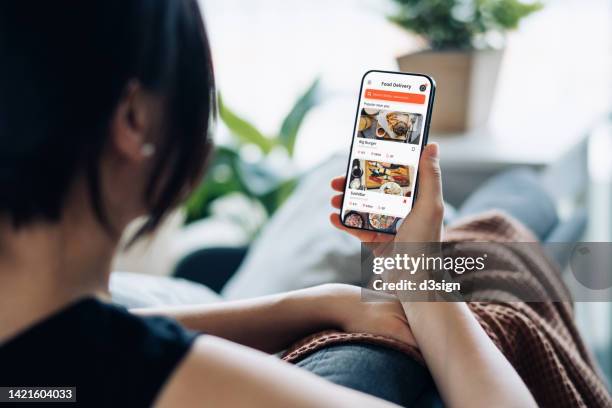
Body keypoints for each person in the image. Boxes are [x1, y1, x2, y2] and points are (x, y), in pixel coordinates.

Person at [0, 1, 536, 407]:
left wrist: (315, 303)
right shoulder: (159, 375)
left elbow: (84, 344)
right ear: (134, 120)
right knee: (511, 217)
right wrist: (418, 278)